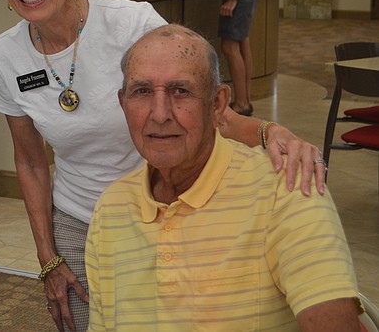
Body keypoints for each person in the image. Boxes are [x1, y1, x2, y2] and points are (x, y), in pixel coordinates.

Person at [0, 0, 327, 332]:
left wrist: (268, 132)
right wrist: (48, 258)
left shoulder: (131, 24)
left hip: (160, 208)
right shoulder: (5, 55)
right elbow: (30, 160)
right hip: (78, 215)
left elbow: (197, 108)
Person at [85, 25, 360, 331]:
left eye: (180, 91)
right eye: (143, 91)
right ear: (123, 105)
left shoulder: (287, 186)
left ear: (217, 105)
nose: (160, 114)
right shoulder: (111, 208)